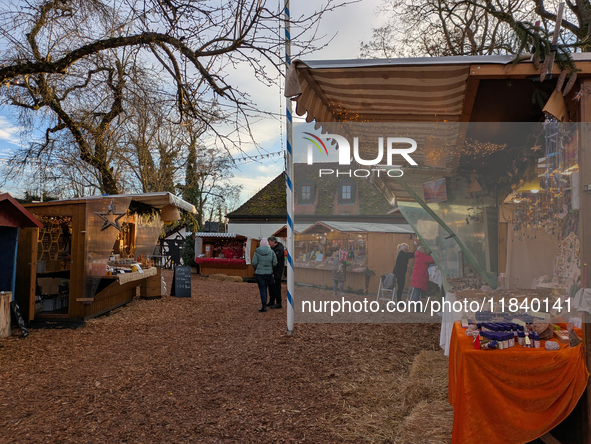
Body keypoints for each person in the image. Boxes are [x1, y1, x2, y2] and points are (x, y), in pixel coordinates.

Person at [252, 238, 277, 312]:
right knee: (266, 288)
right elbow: (275, 262)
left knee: (262, 289)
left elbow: (254, 263)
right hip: (268, 273)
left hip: (259, 273)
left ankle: (264, 305)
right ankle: (266, 303)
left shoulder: (257, 252)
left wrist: (257, 268)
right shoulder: (271, 252)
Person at [267, 236, 285, 309]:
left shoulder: (279, 249)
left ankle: (278, 302)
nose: (269, 244)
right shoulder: (274, 249)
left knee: (276, 287)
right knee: (271, 286)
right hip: (272, 271)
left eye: (269, 242)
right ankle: (272, 301)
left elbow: (275, 259)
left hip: (277, 271)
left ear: (273, 241)